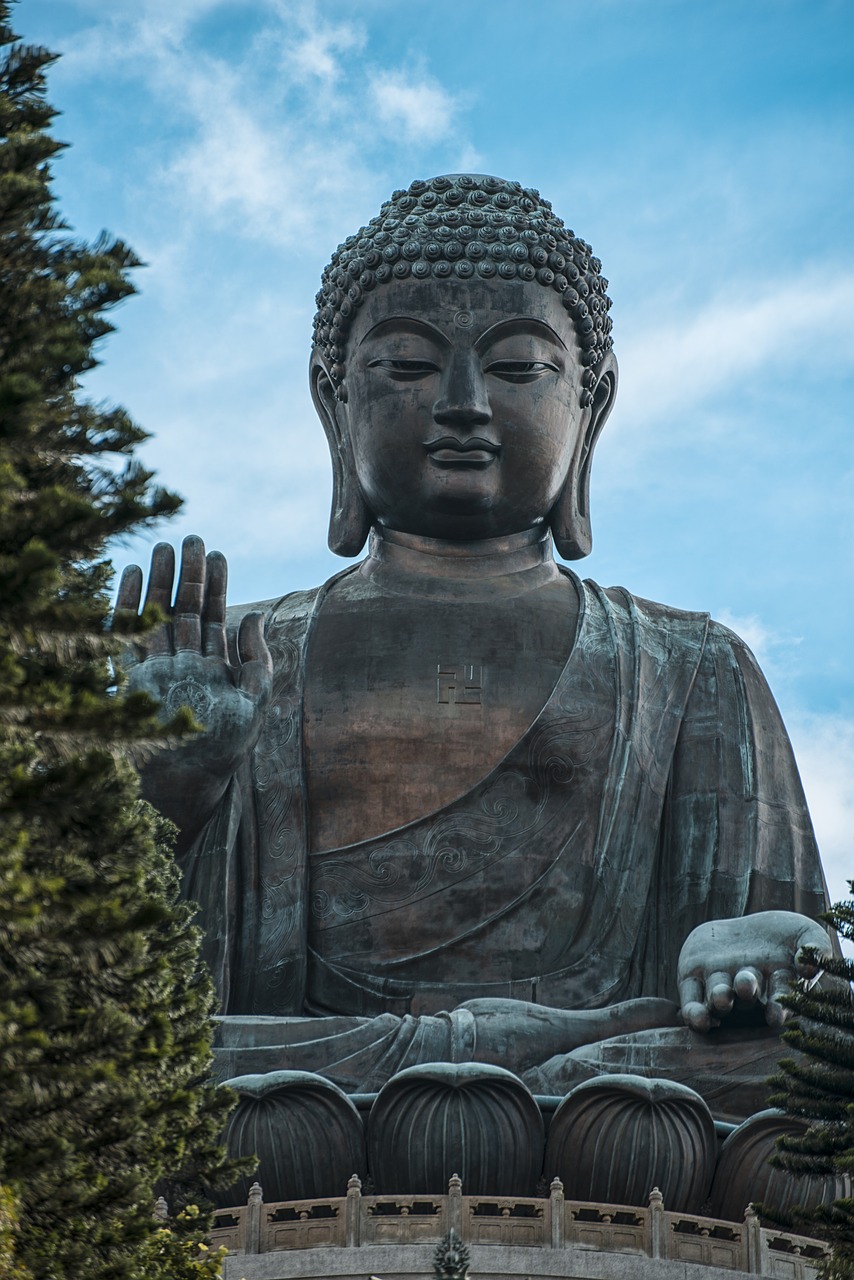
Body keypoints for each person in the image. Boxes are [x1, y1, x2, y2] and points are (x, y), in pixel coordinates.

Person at [117, 175, 832, 1117]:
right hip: (298, 1081)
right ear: (334, 406)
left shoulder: (692, 664)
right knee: (105, 1077)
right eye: (407, 367)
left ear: (593, 405)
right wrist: (164, 796)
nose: (460, 402)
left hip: (615, 1086)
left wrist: (761, 947)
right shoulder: (239, 659)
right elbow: (98, 979)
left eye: (518, 368)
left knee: (794, 1083)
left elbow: (800, 999)